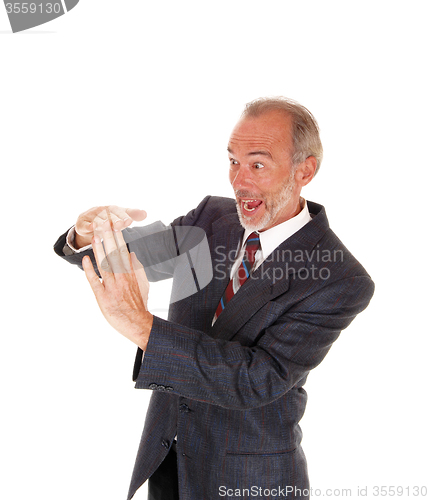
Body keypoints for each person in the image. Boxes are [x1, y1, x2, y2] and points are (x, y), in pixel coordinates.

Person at [54, 97, 375, 500]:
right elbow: (133, 257)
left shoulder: (340, 278)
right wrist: (90, 235)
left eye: (257, 164)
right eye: (233, 161)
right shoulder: (212, 217)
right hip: (169, 457)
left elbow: (256, 379)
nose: (239, 181)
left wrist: (142, 327)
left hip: (249, 478)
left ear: (304, 170)